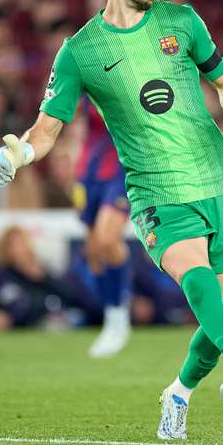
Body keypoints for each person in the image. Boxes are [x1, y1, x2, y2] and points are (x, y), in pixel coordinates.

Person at [0, 0, 223, 440]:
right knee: (197, 284)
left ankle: (177, 394)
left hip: (219, 180)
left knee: (222, 316)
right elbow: (47, 129)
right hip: (156, 191)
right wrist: (17, 152)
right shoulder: (81, 52)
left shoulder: (182, 20)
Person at [74, 102, 134, 358]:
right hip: (89, 170)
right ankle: (111, 318)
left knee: (108, 239)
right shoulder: (84, 69)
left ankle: (120, 315)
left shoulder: (136, 70)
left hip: (123, 165)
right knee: (94, 250)